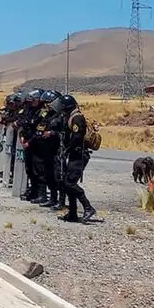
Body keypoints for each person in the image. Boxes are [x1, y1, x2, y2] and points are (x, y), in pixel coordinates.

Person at [52, 94, 97, 224]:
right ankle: (72, 213)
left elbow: (77, 137)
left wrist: (67, 150)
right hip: (74, 154)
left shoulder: (77, 118)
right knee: (67, 183)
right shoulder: (70, 117)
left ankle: (88, 207)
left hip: (79, 155)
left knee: (70, 183)